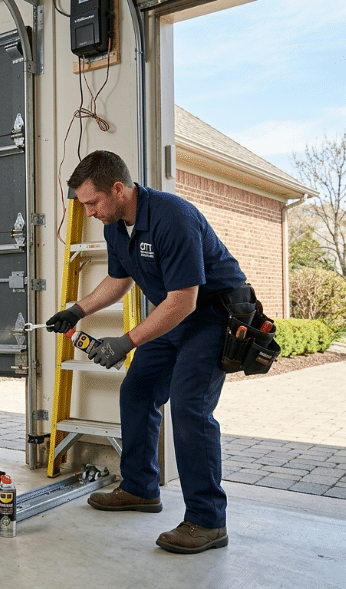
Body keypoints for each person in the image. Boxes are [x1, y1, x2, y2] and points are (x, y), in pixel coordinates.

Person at [46, 150, 246, 554]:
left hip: (213, 315)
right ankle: (140, 488)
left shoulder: (173, 218)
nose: (89, 211)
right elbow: (118, 281)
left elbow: (185, 301)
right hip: (175, 316)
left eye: (92, 202)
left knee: (190, 408)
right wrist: (76, 310)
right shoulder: (116, 226)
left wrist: (127, 341)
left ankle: (208, 521)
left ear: (118, 189)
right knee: (137, 392)